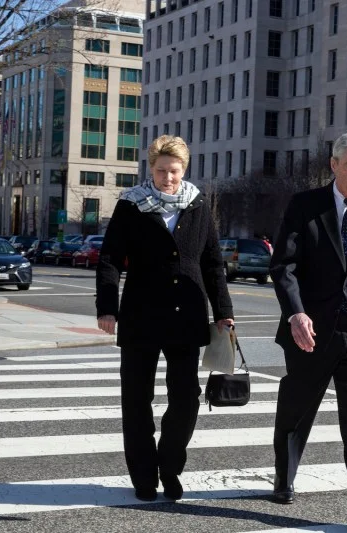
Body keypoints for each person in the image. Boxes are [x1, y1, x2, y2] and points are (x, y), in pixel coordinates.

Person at [96, 135, 234, 502]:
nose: (167, 178)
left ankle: (170, 466)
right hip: (141, 315)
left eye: (174, 171)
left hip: (186, 317)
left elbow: (212, 262)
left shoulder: (199, 204)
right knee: (137, 399)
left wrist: (224, 312)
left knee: (187, 398)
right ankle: (143, 476)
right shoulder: (130, 205)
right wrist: (107, 307)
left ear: (183, 170)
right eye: (161, 171)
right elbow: (109, 259)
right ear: (150, 169)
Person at [269, 132, 347, 529]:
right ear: (334, 165)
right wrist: (296, 314)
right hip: (311, 332)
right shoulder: (305, 206)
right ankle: (285, 476)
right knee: (297, 407)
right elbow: (283, 267)